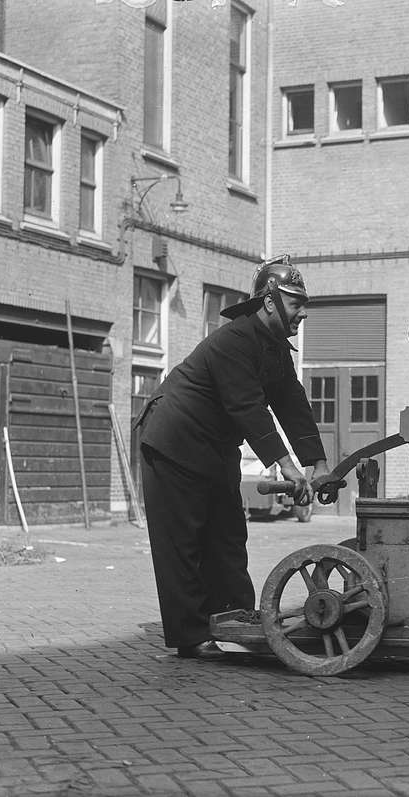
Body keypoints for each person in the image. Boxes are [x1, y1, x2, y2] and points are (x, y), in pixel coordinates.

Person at [134, 255, 330, 660]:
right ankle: (191, 635)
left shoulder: (275, 350)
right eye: (296, 303)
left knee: (227, 537)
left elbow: (292, 404)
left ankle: (238, 623)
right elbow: (247, 408)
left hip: (214, 448)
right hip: (173, 444)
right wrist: (287, 464)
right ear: (271, 301)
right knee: (183, 543)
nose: (303, 313)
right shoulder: (235, 340)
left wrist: (319, 462)